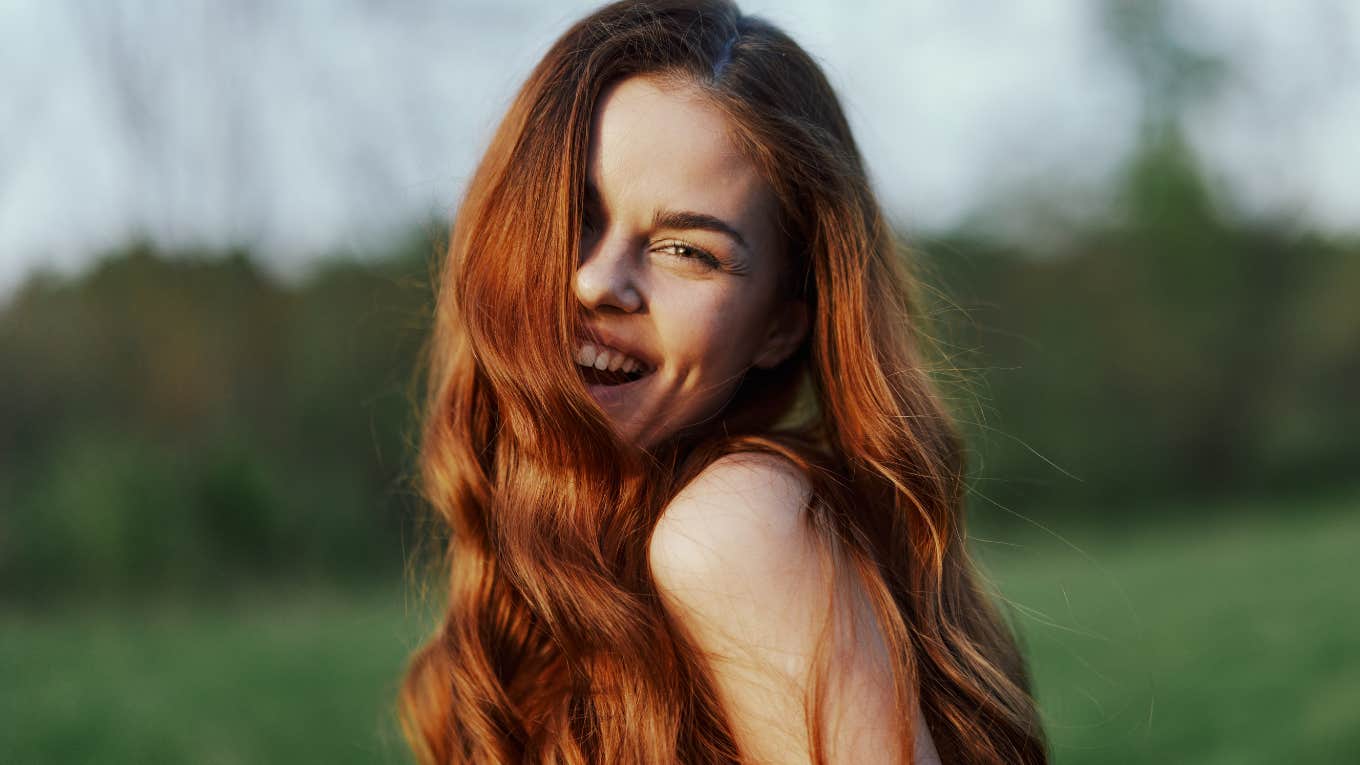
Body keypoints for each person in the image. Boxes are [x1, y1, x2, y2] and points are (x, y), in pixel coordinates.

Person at [400, 1, 1047, 762]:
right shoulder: (540, 562)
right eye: (573, 217)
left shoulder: (734, 527)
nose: (599, 282)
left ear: (780, 324)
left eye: (686, 250)